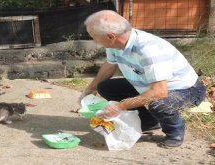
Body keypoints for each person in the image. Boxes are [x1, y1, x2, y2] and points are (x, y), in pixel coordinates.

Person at [79, 10, 206, 148]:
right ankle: (150, 121)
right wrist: (90, 89)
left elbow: (159, 92)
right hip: (149, 84)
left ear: (111, 36)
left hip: (186, 90)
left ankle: (174, 130)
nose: (93, 40)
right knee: (105, 87)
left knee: (158, 104)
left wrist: (119, 107)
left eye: (93, 36)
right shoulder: (115, 44)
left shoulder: (149, 50)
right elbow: (110, 65)